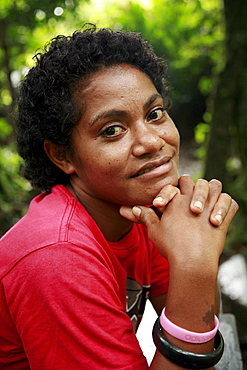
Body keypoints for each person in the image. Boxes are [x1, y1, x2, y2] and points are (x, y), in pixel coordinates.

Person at [0, 24, 238, 370]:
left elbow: (193, 323)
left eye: (155, 114)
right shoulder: (56, 255)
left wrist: (195, 251)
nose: (151, 142)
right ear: (62, 156)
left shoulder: (141, 211)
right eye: (112, 130)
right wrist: (196, 266)